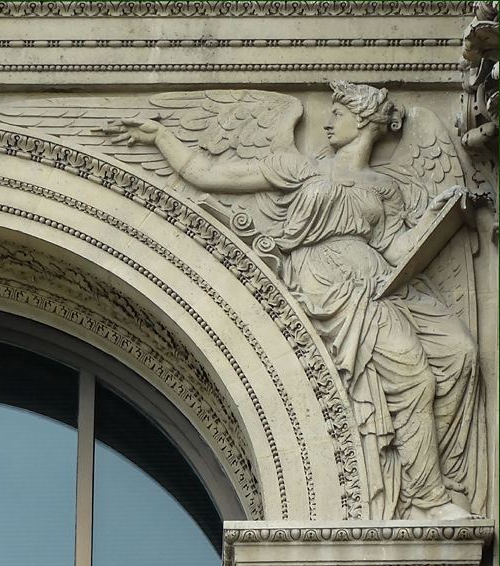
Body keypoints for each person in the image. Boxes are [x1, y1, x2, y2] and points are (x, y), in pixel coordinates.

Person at [107, 82, 487, 520]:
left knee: (461, 352)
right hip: (327, 279)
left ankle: (443, 481)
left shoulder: (385, 188)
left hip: (377, 279)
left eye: (338, 112)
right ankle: (429, 500)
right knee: (415, 379)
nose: (327, 120)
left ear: (363, 120)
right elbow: (207, 173)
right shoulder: (299, 167)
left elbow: (396, 250)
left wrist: (437, 218)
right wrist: (161, 137)